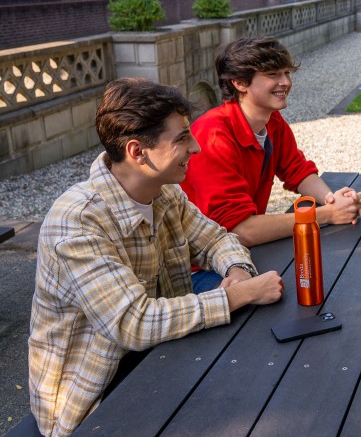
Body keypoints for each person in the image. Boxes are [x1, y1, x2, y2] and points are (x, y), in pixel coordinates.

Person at [28, 78, 284, 437]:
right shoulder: (76, 223)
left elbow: (217, 239)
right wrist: (240, 294)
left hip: (161, 358)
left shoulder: (165, 194)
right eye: (181, 138)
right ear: (137, 152)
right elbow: (134, 322)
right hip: (91, 400)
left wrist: (238, 269)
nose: (195, 147)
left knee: (262, 385)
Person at [181, 37, 361, 293]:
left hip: (244, 253)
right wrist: (326, 215)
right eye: (273, 74)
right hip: (203, 268)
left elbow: (297, 170)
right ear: (239, 83)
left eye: (286, 73)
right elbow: (240, 229)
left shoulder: (272, 121)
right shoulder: (213, 134)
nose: (285, 82)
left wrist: (331, 199)